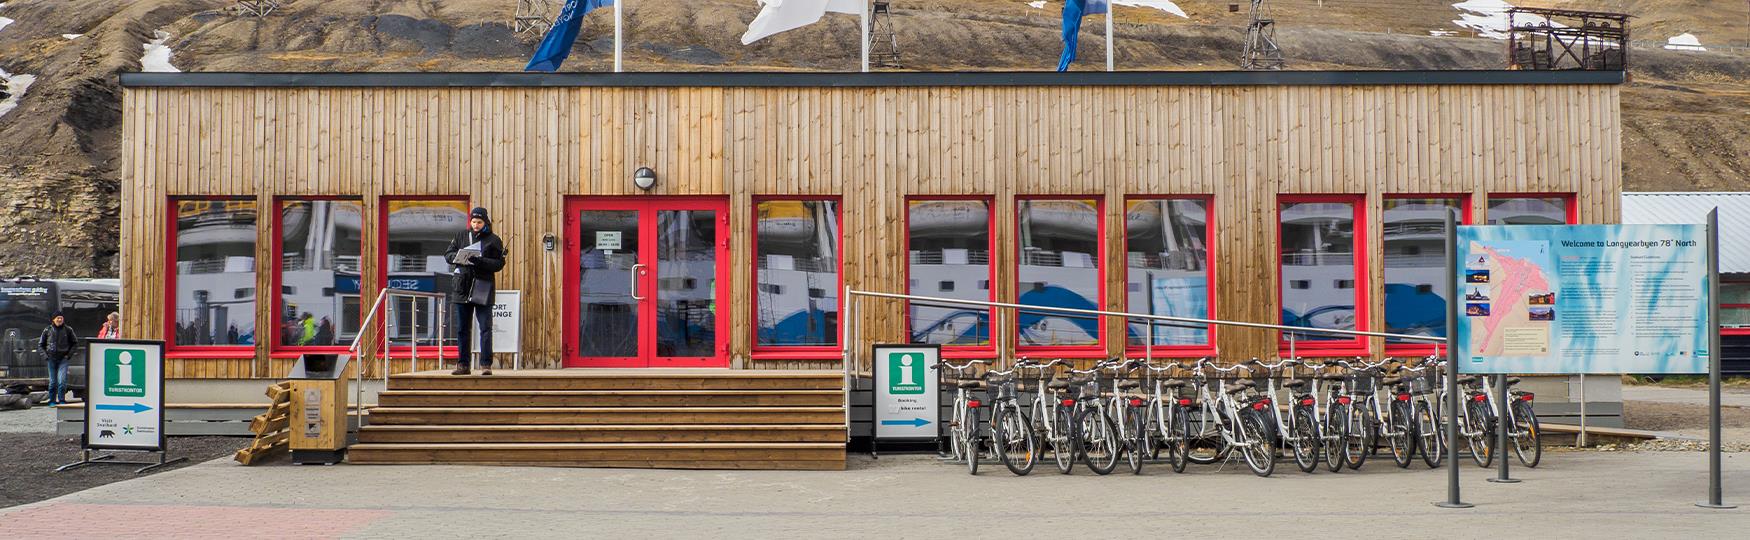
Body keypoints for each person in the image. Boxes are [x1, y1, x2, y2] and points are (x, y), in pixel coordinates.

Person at [445, 206, 506, 376]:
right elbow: (448, 255)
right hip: (461, 287)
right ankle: (463, 365)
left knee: (485, 327)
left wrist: (480, 261)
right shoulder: (461, 236)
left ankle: (486, 365)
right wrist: (459, 257)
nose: (476, 225)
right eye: (473, 221)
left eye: (479, 222)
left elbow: (499, 264)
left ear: (485, 222)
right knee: (462, 329)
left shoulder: (494, 240)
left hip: (482, 286)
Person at [38, 312, 79, 405]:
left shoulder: (68, 330)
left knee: (62, 381)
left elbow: (75, 343)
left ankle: (61, 399)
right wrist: (45, 356)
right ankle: (52, 400)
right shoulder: (47, 330)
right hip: (51, 358)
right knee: (52, 382)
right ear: (53, 319)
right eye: (57, 318)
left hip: (63, 359)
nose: (59, 320)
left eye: (61, 318)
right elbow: (41, 345)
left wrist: (68, 355)